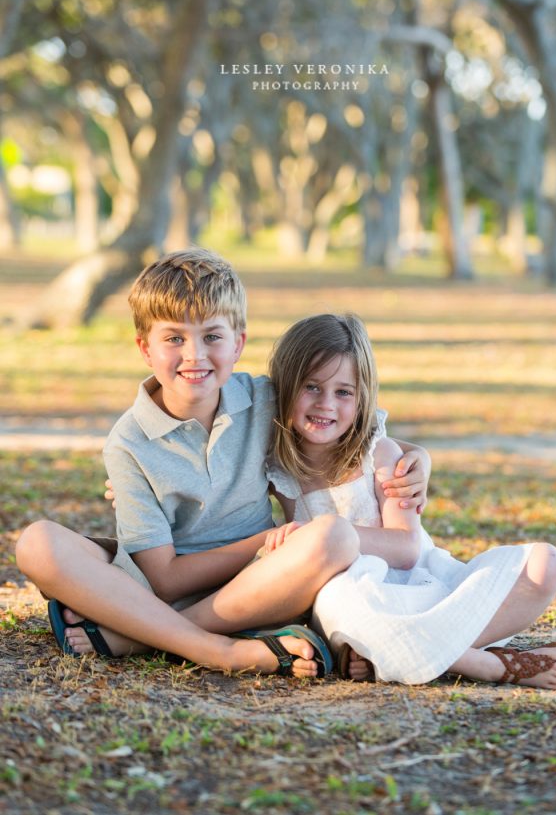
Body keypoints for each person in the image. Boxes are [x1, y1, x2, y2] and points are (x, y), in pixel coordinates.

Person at [14, 250, 428, 677]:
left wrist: (418, 457)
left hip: (265, 583)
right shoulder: (129, 443)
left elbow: (337, 428)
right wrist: (268, 539)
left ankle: (143, 636)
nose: (194, 355)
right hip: (161, 590)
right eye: (174, 338)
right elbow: (165, 580)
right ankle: (222, 651)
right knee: (37, 543)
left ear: (238, 344)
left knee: (334, 540)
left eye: (212, 337)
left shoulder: (264, 399)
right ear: (145, 348)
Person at [262, 313, 556, 688]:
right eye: (311, 387)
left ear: (363, 396)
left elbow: (407, 549)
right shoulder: (279, 469)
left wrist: (325, 534)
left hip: (421, 587)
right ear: (285, 387)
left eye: (343, 392)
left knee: (546, 564)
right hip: (356, 601)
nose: (326, 404)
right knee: (337, 602)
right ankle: (483, 664)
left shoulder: (377, 454)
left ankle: (394, 652)